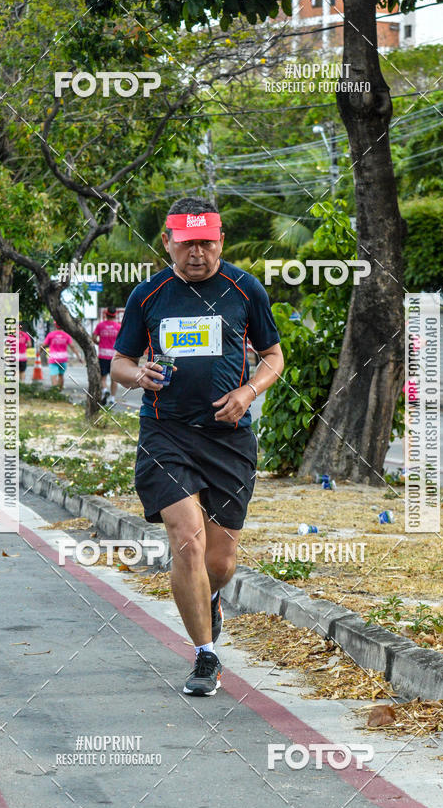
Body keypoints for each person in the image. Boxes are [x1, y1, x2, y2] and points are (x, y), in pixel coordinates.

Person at [111, 197, 284, 696]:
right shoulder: (148, 295)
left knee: (220, 563)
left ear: (221, 241)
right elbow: (120, 362)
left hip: (228, 439)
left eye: (207, 243)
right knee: (186, 540)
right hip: (165, 433)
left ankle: (208, 598)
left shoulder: (244, 288)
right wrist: (138, 374)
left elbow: (273, 356)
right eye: (187, 244)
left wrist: (249, 391)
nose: (197, 254)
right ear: (167, 242)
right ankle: (205, 656)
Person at [92, 309, 121, 402]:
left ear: (106, 315)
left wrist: (99, 343)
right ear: (115, 315)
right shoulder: (118, 327)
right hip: (114, 356)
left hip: (103, 356)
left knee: (102, 378)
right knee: (114, 379)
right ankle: (112, 399)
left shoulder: (100, 325)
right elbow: (122, 340)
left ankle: (105, 390)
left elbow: (93, 338)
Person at [41, 323, 81, 389]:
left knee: (53, 375)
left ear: (55, 326)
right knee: (61, 375)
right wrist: (78, 356)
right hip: (63, 359)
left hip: (53, 358)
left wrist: (39, 351)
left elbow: (44, 345)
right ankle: (59, 390)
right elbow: (72, 346)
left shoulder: (51, 335)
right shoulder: (66, 335)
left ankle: (55, 391)